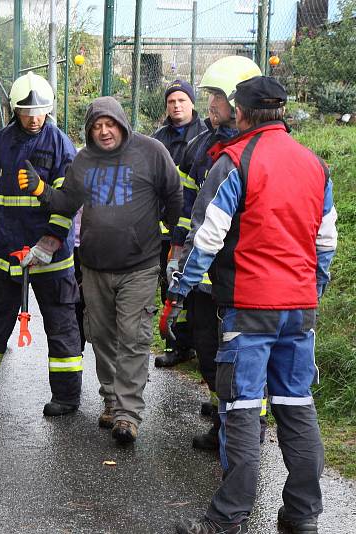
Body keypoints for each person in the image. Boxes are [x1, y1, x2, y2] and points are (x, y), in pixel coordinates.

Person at [170, 76, 337, 534]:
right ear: (281, 112)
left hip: (247, 307)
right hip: (298, 310)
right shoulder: (314, 165)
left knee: (241, 411)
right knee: (296, 407)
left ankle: (226, 520)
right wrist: (311, 291)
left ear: (240, 113)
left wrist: (178, 295)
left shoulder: (234, 162)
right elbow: (326, 243)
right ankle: (303, 515)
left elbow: (206, 238)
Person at [18, 95, 182, 442]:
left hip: (139, 265)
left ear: (121, 123)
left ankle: (128, 414)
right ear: (90, 131)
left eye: (109, 124)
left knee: (134, 337)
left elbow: (174, 195)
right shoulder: (85, 160)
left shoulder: (151, 152)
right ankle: (110, 400)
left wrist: (171, 242)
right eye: (96, 126)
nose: (104, 132)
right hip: (93, 266)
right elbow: (66, 203)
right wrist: (40, 190)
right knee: (103, 337)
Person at [0, 72, 82, 417]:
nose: (35, 117)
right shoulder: (2, 142)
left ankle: (67, 397)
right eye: (28, 110)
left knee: (61, 325)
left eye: (41, 110)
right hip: (8, 250)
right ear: (15, 110)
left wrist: (50, 242)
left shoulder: (60, 145)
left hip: (51, 257)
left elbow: (67, 201)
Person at [167, 56, 263, 451]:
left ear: (238, 101)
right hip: (202, 276)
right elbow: (188, 205)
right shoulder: (202, 145)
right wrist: (176, 253)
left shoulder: (252, 150)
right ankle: (222, 415)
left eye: (218, 96)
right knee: (207, 350)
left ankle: (244, 430)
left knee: (239, 359)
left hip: (240, 278)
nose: (211, 103)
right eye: (209, 95)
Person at [152, 79, 207, 368]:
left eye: (181, 101)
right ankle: (178, 344)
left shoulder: (205, 136)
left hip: (196, 228)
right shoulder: (158, 138)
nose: (176, 106)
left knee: (199, 290)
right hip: (165, 229)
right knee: (171, 286)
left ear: (192, 103)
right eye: (171, 101)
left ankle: (202, 344)